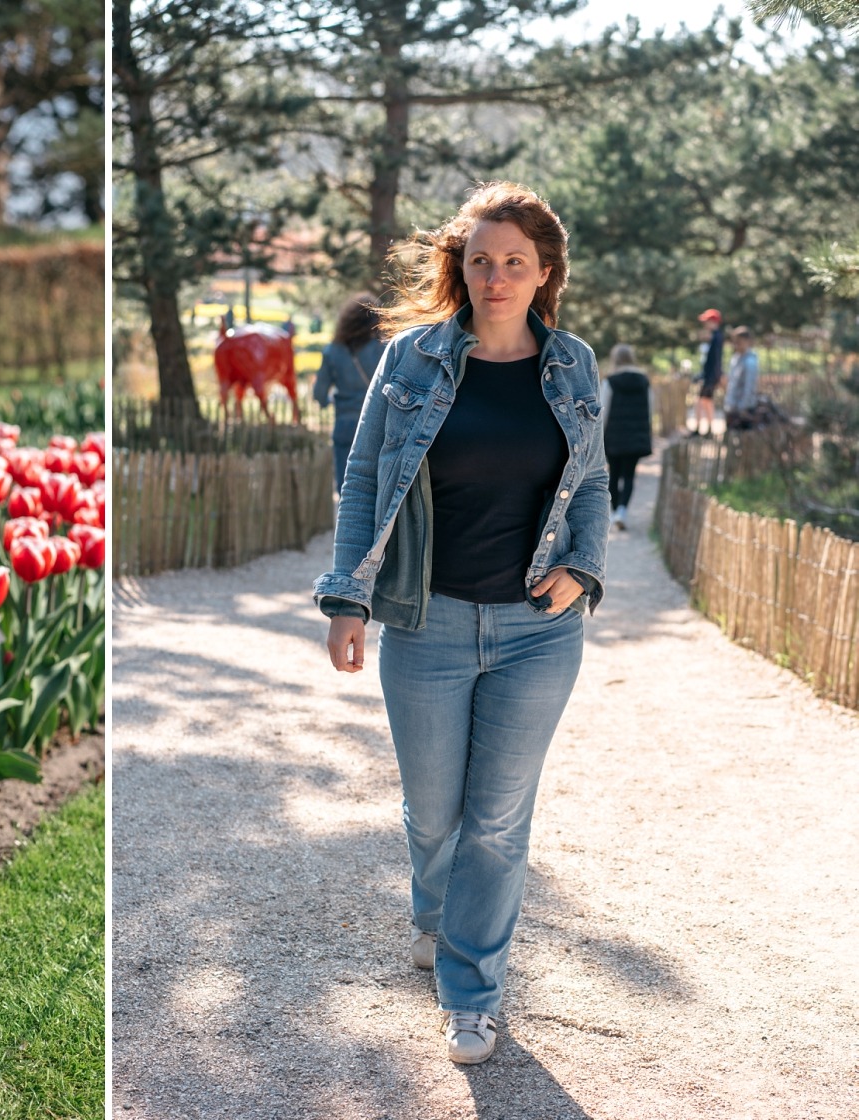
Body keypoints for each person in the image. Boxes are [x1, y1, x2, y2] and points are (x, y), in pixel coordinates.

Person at [312, 182, 608, 1066]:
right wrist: (346, 598)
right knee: (434, 814)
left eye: (515, 260)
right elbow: (365, 479)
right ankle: (437, 916)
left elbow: (590, 486)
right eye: (480, 259)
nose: (496, 274)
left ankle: (471, 989)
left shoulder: (575, 366)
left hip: (538, 629)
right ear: (461, 267)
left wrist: (583, 569)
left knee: (497, 819)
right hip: (428, 622)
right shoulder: (410, 361)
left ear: (544, 271)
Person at [313, 294, 384, 491]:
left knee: (346, 489)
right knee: (376, 489)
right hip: (377, 426)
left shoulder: (333, 351)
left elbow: (319, 393)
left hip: (344, 423)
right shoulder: (384, 349)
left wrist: (327, 402)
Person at [600, 343, 654, 531]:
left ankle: (616, 512)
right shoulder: (644, 381)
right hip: (636, 435)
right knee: (630, 474)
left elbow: (602, 411)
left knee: (613, 474)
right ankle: (622, 510)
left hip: (614, 437)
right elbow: (650, 408)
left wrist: (600, 437)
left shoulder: (610, 381)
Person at [693, 308, 724, 436]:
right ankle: (706, 428)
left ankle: (703, 428)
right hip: (710, 375)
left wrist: (712, 377)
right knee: (705, 401)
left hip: (710, 376)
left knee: (703, 402)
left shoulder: (716, 338)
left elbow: (715, 361)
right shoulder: (713, 337)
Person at [724, 326, 759, 429]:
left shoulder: (750, 362)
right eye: (735, 342)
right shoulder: (735, 359)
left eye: (739, 342)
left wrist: (743, 407)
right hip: (732, 407)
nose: (736, 345)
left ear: (747, 341)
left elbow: (749, 386)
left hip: (744, 409)